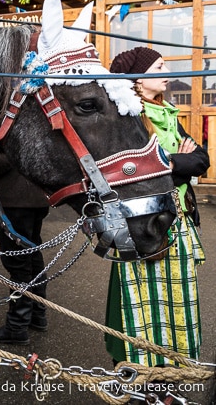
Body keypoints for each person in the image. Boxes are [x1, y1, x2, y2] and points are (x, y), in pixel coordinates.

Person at [106, 47, 209, 366]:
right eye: (159, 66)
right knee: (139, 303)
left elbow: (201, 160)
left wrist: (169, 161)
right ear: (138, 78)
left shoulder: (167, 113)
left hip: (178, 218)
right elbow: (135, 170)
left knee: (175, 302)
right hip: (142, 221)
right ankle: (136, 374)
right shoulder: (129, 116)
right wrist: (176, 160)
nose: (167, 72)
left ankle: (170, 371)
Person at [0, 152, 50, 345]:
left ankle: (17, 326)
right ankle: (37, 314)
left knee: (19, 263)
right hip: (35, 196)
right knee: (33, 256)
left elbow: (6, 157)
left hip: (17, 199)